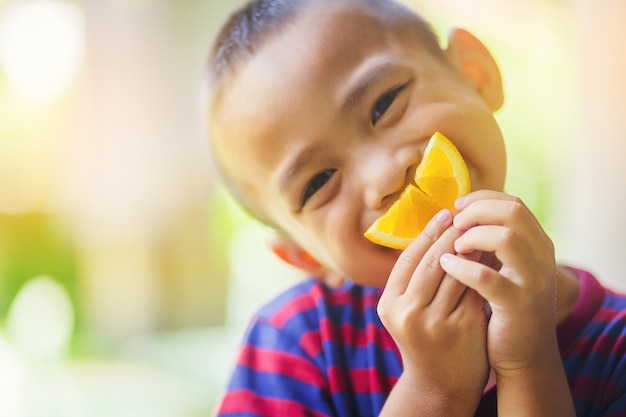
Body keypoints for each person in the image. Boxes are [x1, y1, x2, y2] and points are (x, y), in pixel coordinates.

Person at [204, 0, 626, 415]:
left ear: (474, 72)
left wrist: (529, 363)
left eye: (384, 104)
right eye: (318, 182)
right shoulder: (294, 345)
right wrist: (434, 388)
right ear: (307, 257)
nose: (383, 177)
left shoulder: (617, 346)